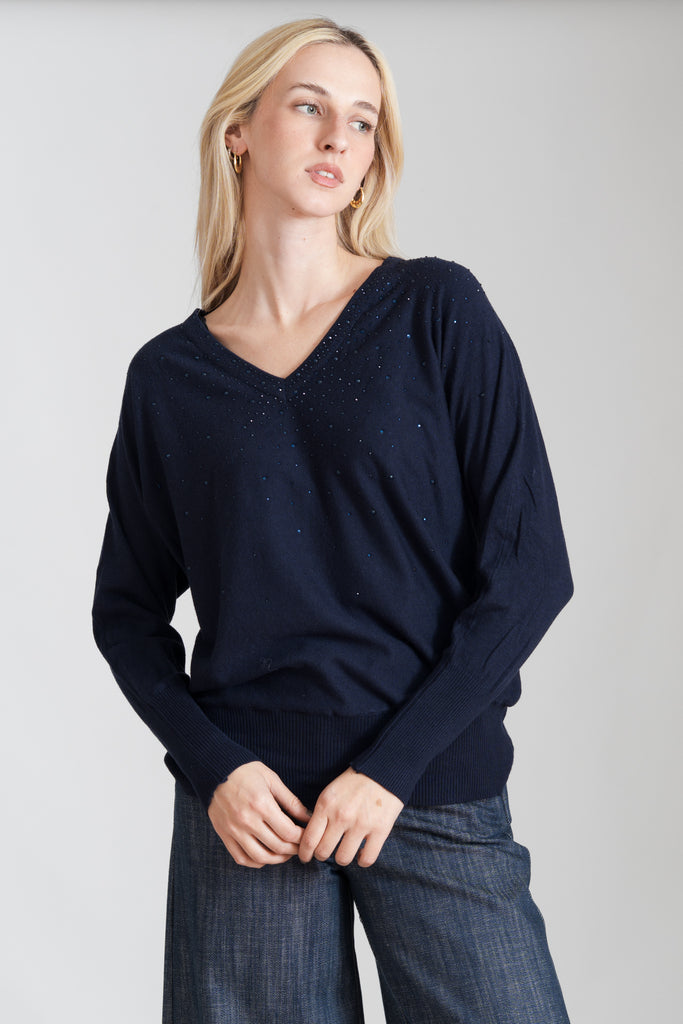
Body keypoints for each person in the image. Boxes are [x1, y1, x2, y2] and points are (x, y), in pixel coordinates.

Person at [91, 16, 574, 1024]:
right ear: (238, 130)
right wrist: (215, 767)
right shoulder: (168, 378)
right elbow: (126, 614)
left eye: (361, 121)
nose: (335, 139)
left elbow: (530, 568)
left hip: (426, 784)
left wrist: (389, 769)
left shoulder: (435, 310)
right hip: (250, 811)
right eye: (308, 107)